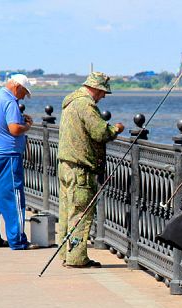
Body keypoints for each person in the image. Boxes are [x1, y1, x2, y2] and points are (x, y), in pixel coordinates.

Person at [56, 72, 125, 268]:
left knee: (67, 210)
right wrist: (116, 129)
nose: (103, 97)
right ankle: (77, 258)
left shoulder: (70, 102)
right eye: (103, 92)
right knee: (81, 212)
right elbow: (100, 132)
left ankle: (65, 254)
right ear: (96, 88)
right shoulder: (85, 104)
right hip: (80, 169)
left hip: (65, 165)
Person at [0, 74, 38, 250]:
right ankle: (18, 240)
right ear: (17, 86)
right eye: (24, 92)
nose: (23, 97)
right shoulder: (10, 102)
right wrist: (27, 126)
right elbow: (14, 129)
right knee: (14, 198)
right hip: (8, 156)